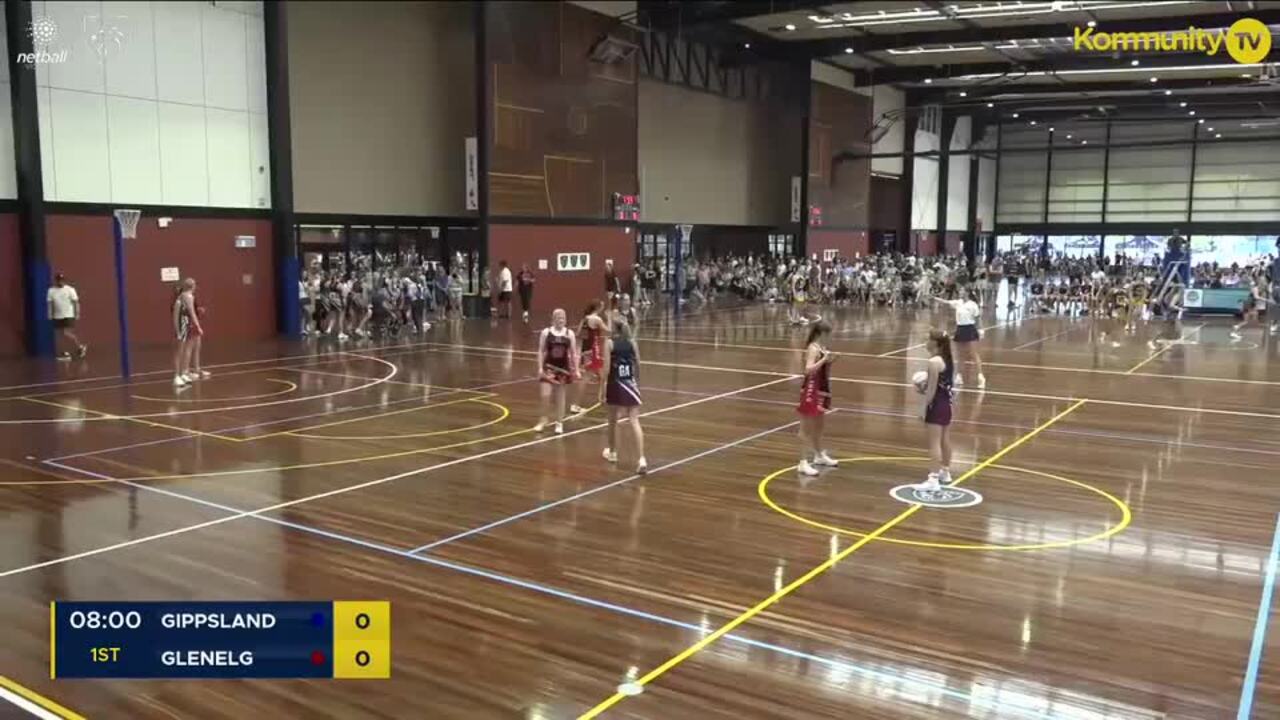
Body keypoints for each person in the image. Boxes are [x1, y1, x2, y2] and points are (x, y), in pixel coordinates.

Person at [600, 316, 647, 474]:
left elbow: (606, 369)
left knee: (612, 420)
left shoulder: (609, 343)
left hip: (615, 385)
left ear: (614, 328)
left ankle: (613, 453)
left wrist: (602, 389)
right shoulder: (632, 343)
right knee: (634, 420)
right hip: (630, 384)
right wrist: (637, 383)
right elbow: (638, 364)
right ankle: (641, 459)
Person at [796, 320, 838, 477]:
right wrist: (822, 360)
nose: (830, 338)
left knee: (819, 425)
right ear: (822, 334)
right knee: (805, 428)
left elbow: (821, 369)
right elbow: (808, 370)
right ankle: (802, 462)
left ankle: (819, 454)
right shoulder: (813, 348)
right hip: (811, 390)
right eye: (828, 335)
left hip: (821, 389)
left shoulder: (822, 348)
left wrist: (830, 362)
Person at [917, 329, 955, 490]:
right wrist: (922, 387)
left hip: (937, 405)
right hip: (947, 404)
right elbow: (941, 386)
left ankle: (932, 479)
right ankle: (945, 472)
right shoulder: (947, 360)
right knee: (944, 439)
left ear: (935, 343)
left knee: (934, 443)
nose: (926, 341)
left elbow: (931, 391)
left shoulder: (933, 362)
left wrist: (923, 409)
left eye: (928, 339)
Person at [536, 308, 578, 435]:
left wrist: (576, 369)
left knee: (560, 397)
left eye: (563, 318)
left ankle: (559, 422)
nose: (561, 320)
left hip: (562, 369)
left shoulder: (569, 334)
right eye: (559, 317)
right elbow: (541, 351)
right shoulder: (546, 332)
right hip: (548, 367)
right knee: (545, 395)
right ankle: (543, 419)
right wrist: (539, 368)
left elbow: (573, 353)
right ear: (553, 319)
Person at [934, 289, 985, 388]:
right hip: (960, 329)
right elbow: (945, 302)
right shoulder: (958, 302)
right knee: (960, 354)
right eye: (960, 291)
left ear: (967, 293)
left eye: (962, 291)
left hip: (970, 329)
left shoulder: (973, 304)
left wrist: (981, 329)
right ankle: (959, 376)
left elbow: (978, 318)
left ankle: (980, 377)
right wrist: (934, 298)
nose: (960, 292)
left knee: (973, 354)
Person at [570, 300, 608, 414]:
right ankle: (575, 404)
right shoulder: (597, 319)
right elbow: (609, 331)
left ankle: (602, 398)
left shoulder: (585, 318)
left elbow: (578, 334)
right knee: (586, 378)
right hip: (593, 350)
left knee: (602, 375)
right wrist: (610, 319)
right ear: (598, 307)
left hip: (586, 350)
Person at [47, 273, 86, 360]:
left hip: (68, 315)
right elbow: (50, 304)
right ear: (56, 281)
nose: (60, 282)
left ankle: (80, 346)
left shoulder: (70, 290)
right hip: (57, 316)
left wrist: (77, 313)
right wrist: (49, 314)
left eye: (62, 280)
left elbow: (76, 302)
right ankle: (65, 353)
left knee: (66, 333)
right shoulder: (51, 291)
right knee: (59, 335)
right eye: (59, 280)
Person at [172, 278, 201, 387]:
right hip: (182, 325)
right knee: (179, 350)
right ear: (193, 286)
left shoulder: (183, 296)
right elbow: (192, 312)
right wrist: (198, 326)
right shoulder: (187, 296)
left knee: (184, 349)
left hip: (185, 324)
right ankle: (176, 376)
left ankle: (183, 373)